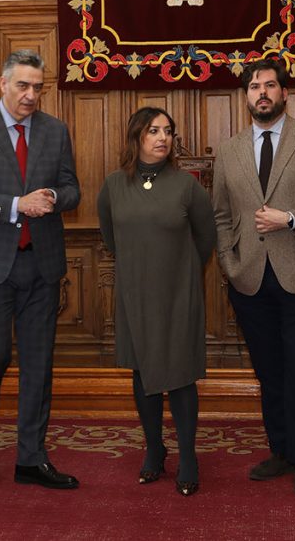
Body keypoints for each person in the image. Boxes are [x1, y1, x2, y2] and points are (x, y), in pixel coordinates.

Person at [212, 59, 295, 497]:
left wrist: (291, 218)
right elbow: (220, 214)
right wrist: (229, 262)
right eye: (254, 87)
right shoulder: (229, 148)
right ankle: (281, 451)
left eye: (270, 85)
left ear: (285, 93)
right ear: (246, 96)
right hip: (248, 277)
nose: (262, 93)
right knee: (268, 370)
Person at [0, 50, 81, 490]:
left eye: (38, 87)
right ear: (2, 84)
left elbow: (72, 189)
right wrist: (14, 205)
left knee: (38, 365)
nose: (30, 95)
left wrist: (53, 199)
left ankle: (31, 459)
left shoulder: (55, 131)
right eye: (22, 86)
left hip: (41, 265)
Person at [97, 107, 216, 496]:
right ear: (137, 137)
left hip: (179, 293)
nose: (163, 137)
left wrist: (178, 272)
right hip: (134, 293)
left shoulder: (187, 186)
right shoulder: (113, 186)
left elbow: (205, 240)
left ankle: (188, 456)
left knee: (180, 376)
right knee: (143, 373)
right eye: (154, 131)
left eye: (168, 131)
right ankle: (154, 449)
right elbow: (111, 240)